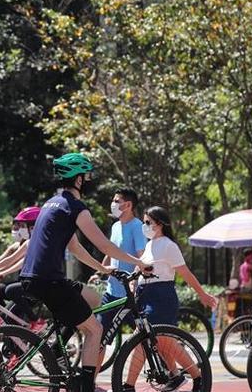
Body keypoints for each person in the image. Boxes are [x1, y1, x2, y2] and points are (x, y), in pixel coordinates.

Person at [19, 152, 150, 392]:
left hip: (34, 278)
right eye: (87, 176)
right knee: (96, 329)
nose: (89, 181)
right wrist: (138, 263)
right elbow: (104, 245)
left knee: (93, 298)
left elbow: (75, 247)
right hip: (50, 281)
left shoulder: (52, 204)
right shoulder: (76, 207)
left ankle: (61, 350)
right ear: (78, 179)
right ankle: (87, 386)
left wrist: (103, 269)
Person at [123, 206, 218, 392]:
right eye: (144, 222)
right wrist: (133, 281)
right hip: (145, 296)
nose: (144, 226)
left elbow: (186, 273)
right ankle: (191, 377)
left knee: (141, 339)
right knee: (165, 343)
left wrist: (202, 295)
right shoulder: (150, 244)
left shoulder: (169, 245)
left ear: (160, 224)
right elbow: (140, 267)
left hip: (161, 297)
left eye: (148, 222)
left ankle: (128, 386)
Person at [88, 188, 146, 345]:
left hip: (130, 296)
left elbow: (143, 257)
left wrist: (134, 280)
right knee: (98, 340)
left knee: (148, 341)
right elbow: (110, 252)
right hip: (111, 294)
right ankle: (91, 371)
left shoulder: (137, 227)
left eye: (116, 201)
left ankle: (172, 368)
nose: (112, 204)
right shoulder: (115, 227)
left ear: (127, 205)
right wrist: (99, 272)